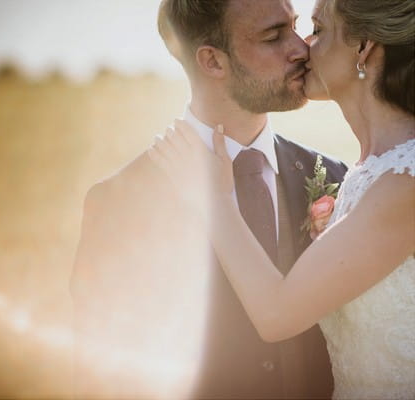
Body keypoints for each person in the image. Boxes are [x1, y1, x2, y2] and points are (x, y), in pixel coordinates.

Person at [70, 0, 347, 398]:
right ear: (213, 62)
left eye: (295, 26)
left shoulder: (336, 177)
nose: (300, 49)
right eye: (273, 36)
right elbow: (103, 375)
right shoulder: (121, 202)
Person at [149, 0, 415, 398]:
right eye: (280, 34)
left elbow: (277, 315)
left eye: (318, 30)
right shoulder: (365, 173)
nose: (304, 47)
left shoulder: (403, 182)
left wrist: (215, 201)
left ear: (363, 47)